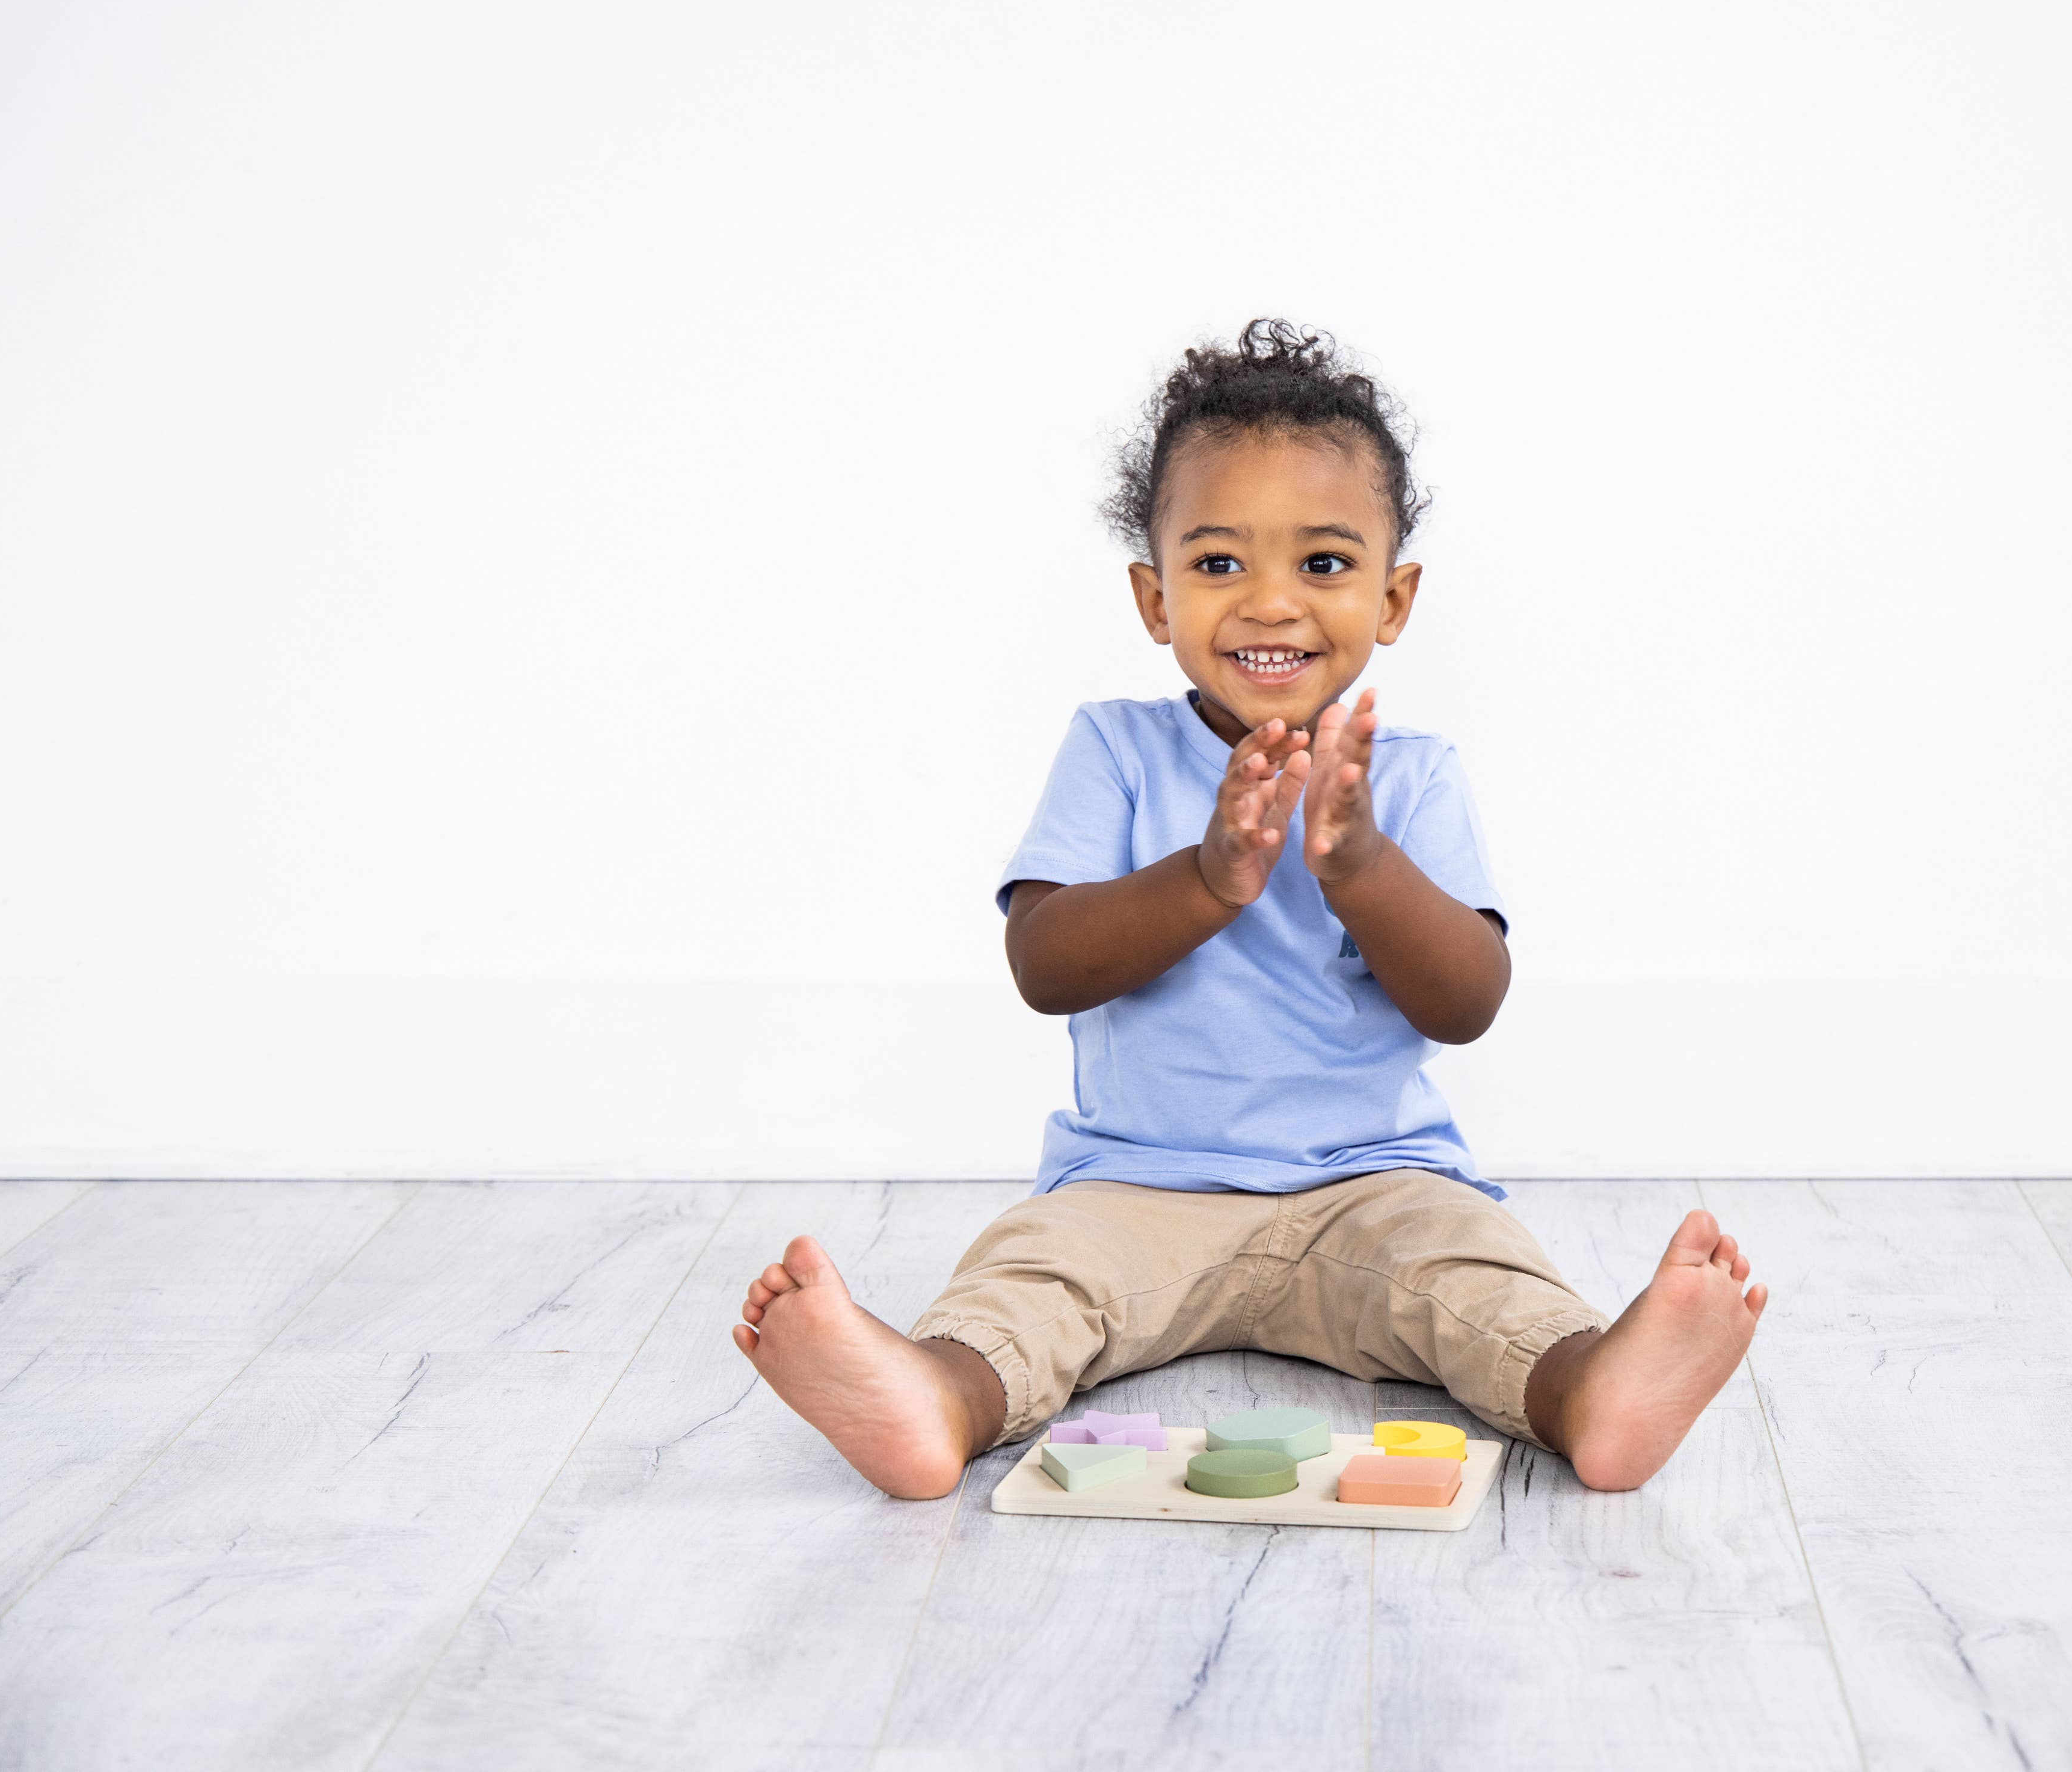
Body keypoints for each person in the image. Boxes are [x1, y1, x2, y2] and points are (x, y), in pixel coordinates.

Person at [733, 321, 1767, 1497]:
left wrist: (1359, 866)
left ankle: (1590, 1389)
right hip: (1135, 1190)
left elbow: (1467, 1002)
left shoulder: (1411, 775)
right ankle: (934, 1396)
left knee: (1477, 1280)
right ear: (1153, 596)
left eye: (1322, 564)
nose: (1271, 604)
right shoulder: (1114, 750)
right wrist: (1210, 876)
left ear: (1394, 597)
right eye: (1220, 564)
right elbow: (1044, 965)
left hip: (1374, 1188)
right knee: (1030, 1283)